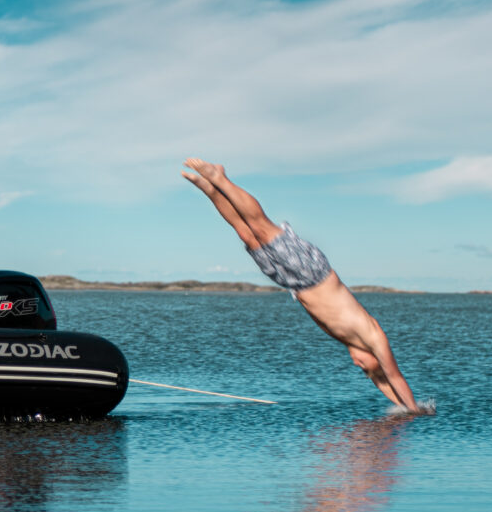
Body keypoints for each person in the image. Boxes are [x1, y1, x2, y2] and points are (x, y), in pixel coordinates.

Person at [181, 158, 424, 413]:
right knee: (260, 227)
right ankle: (220, 178)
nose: (358, 367)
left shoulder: (356, 345)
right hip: (313, 273)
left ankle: (210, 189)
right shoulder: (374, 338)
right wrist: (415, 410)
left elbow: (383, 382)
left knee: (245, 234)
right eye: (366, 368)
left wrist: (401, 408)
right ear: (377, 360)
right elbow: (393, 377)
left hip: (292, 283)